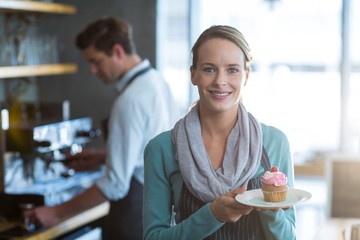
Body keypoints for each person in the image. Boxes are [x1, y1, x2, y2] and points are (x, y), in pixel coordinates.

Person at [25, 16, 178, 239]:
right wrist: (103, 156)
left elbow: (115, 185)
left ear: (117, 51)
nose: (93, 70)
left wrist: (54, 213)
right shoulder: (156, 81)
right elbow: (149, 148)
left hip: (134, 218)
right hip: (159, 212)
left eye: (96, 61)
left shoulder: (129, 101)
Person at [143, 25, 296, 239]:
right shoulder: (161, 148)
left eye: (232, 69)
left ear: (246, 75)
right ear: (193, 74)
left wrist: (271, 213)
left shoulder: (274, 142)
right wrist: (213, 215)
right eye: (209, 69)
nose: (220, 81)